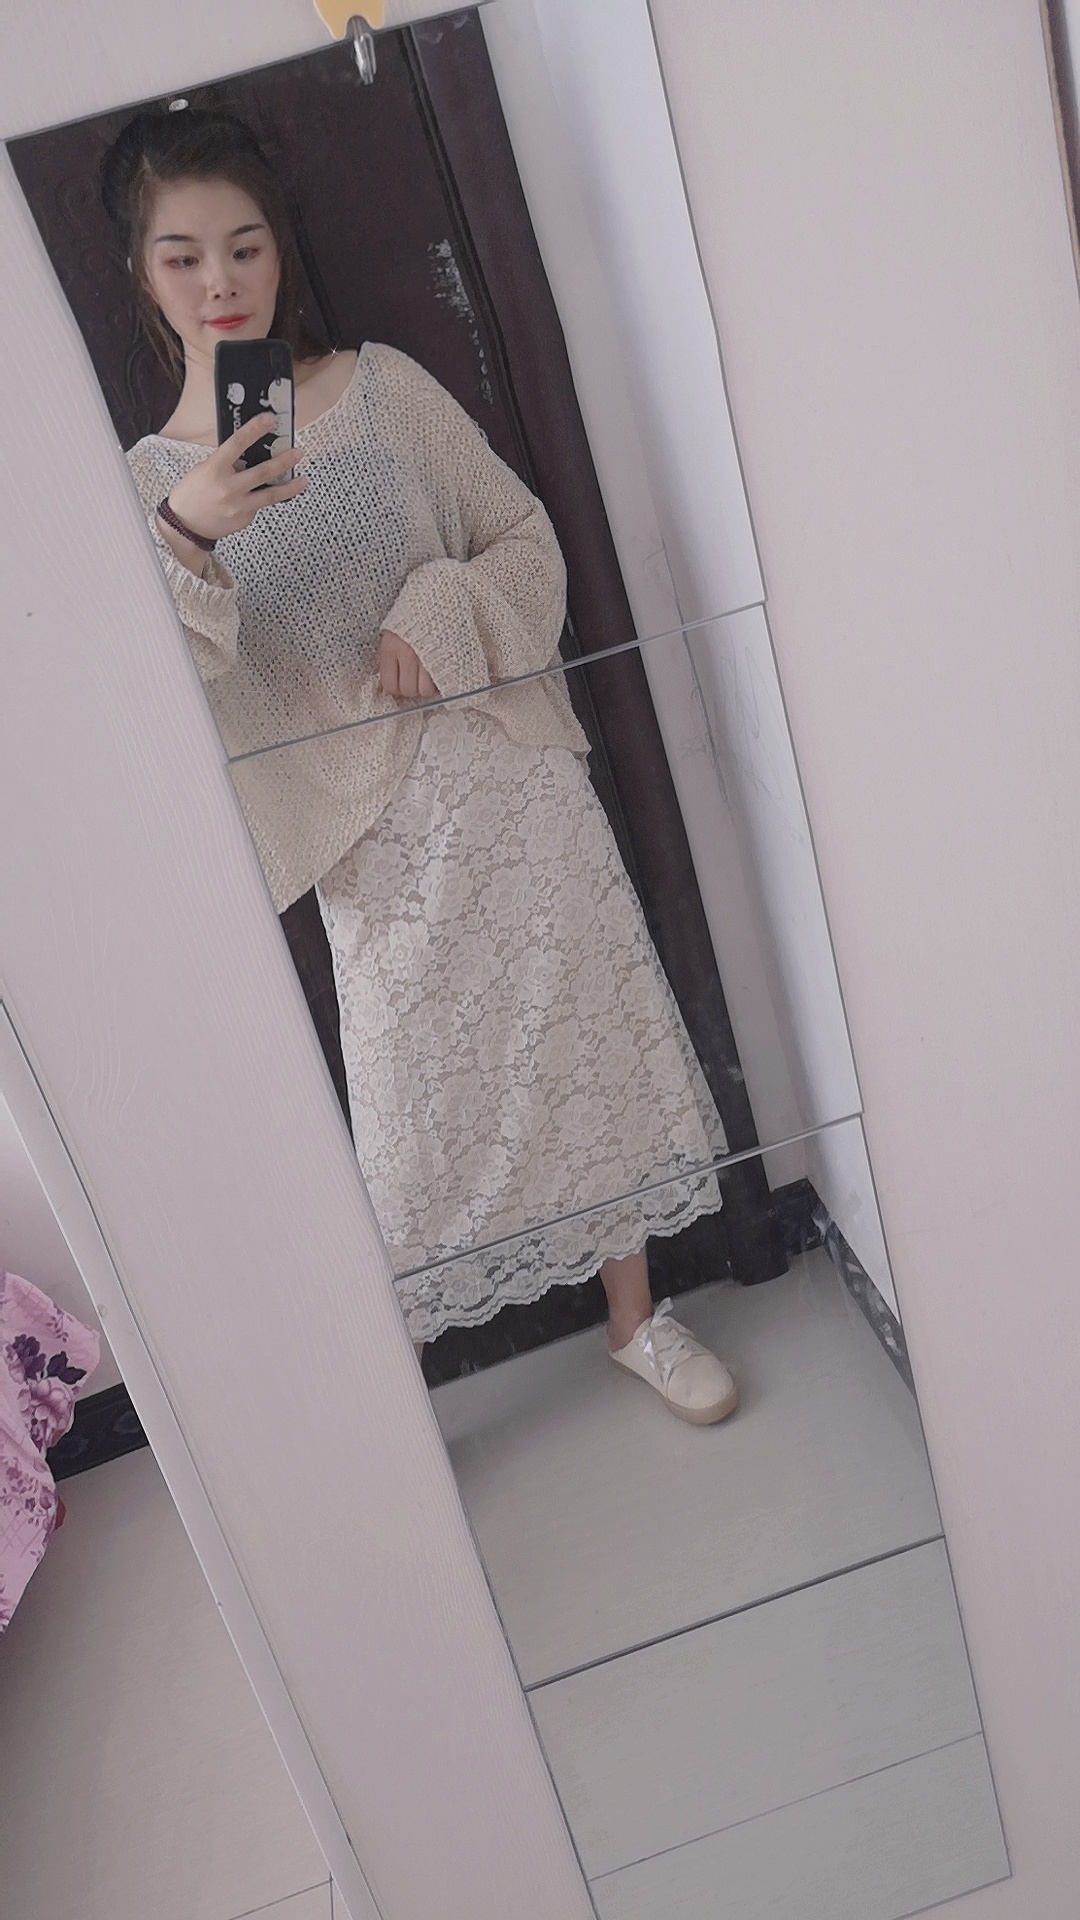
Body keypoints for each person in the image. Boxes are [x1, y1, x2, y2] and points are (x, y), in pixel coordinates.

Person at [101, 102, 738, 1425]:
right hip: (365, 847)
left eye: (243, 245)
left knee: (586, 1040)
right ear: (142, 275)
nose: (220, 281)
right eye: (183, 256)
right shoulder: (143, 486)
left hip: (511, 781)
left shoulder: (385, 389)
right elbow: (155, 711)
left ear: (280, 248)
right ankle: (393, 1411)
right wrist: (185, 533)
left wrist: (443, 609)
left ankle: (636, 1316)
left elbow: (524, 537)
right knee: (408, 1121)